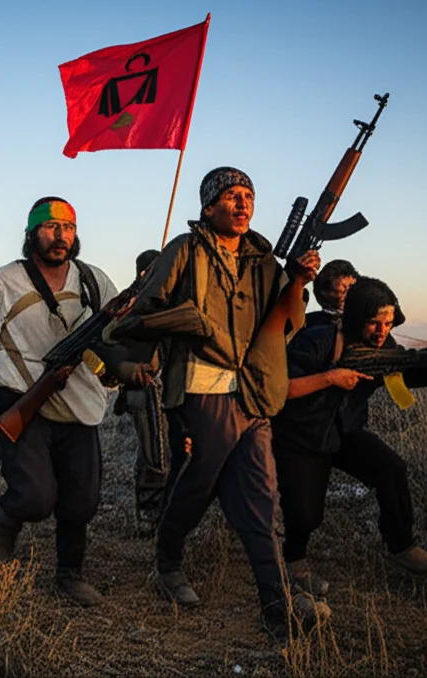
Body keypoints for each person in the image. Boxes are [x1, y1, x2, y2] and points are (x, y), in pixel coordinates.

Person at [116, 167, 329, 637]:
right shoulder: (184, 251)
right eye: (231, 196)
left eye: (248, 196)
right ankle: (167, 564)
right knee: (196, 488)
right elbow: (143, 314)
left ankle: (278, 606)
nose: (241, 204)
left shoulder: (264, 262)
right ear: (208, 206)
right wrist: (191, 321)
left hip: (254, 393)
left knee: (261, 497)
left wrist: (296, 281)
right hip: (200, 392)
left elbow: (288, 323)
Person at [0, 196, 141, 607]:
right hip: (20, 394)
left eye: (69, 228)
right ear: (32, 234)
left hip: (79, 400)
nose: (61, 236)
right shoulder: (6, 279)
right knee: (34, 497)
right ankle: (1, 533)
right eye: (51, 227)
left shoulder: (93, 280)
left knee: (82, 499)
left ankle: (69, 575)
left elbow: (118, 331)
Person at [272, 277, 427, 597]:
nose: (382, 332)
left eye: (388, 323)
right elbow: (277, 389)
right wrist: (329, 378)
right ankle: (295, 563)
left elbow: (404, 370)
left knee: (390, 469)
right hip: (301, 438)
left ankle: (402, 547)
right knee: (305, 513)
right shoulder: (317, 341)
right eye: (374, 322)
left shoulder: (385, 347)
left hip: (345, 432)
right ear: (355, 319)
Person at [113, 249, 169, 536]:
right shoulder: (127, 302)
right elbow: (113, 340)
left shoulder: (169, 299)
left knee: (166, 451)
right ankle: (148, 513)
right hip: (140, 386)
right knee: (153, 453)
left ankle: (163, 513)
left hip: (167, 386)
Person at [305, 259, 359, 328]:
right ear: (325, 293)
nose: (349, 293)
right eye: (343, 288)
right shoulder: (310, 323)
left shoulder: (364, 321)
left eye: (351, 287)